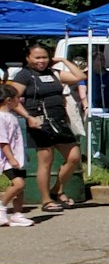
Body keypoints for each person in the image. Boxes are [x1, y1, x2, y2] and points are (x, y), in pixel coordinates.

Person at [12, 42, 82, 211]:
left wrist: (64, 60)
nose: (41, 61)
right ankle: (46, 200)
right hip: (39, 123)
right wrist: (28, 117)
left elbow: (80, 77)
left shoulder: (54, 73)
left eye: (44, 57)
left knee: (74, 157)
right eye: (37, 58)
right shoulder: (24, 75)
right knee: (46, 162)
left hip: (59, 121)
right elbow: (12, 99)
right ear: (28, 58)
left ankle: (57, 189)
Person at [0, 82, 34, 226]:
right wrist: (11, 158)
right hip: (8, 158)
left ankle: (17, 213)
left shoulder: (11, 116)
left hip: (18, 157)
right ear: (9, 100)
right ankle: (2, 206)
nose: (19, 101)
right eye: (17, 98)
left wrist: (22, 155)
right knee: (18, 184)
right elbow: (2, 141)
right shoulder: (1, 118)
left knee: (21, 187)